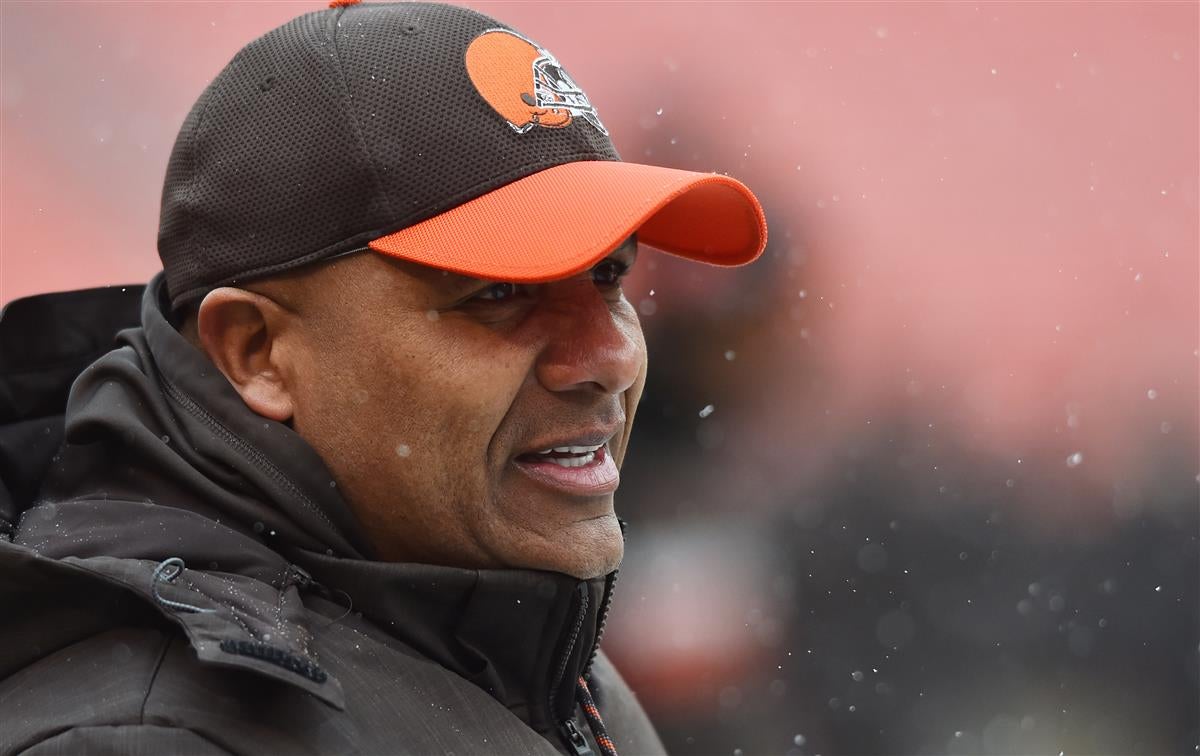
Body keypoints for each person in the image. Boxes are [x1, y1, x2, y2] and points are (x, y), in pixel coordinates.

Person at [0, 1, 766, 753]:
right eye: (499, 294)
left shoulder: (521, 640)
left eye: (608, 277)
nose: (611, 359)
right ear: (256, 353)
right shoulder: (148, 736)